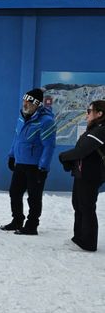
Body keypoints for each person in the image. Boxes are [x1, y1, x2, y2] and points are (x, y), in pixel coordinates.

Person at [2, 89, 56, 235]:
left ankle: (32, 225)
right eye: (24, 100)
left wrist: (43, 167)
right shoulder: (22, 117)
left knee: (34, 197)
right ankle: (17, 220)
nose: (25, 103)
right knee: (14, 192)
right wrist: (12, 155)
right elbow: (17, 138)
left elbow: (49, 146)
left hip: (35, 166)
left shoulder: (46, 121)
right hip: (20, 163)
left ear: (37, 104)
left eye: (29, 102)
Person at [58, 100, 105, 251]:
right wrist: (70, 163)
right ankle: (78, 237)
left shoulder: (101, 130)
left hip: (91, 175)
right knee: (78, 204)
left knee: (86, 207)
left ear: (99, 114)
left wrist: (63, 156)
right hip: (82, 173)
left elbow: (82, 151)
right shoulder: (93, 128)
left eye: (89, 110)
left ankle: (88, 243)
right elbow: (82, 151)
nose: (86, 113)